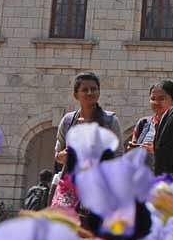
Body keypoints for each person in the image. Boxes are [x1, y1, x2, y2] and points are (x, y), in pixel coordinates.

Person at [50, 72, 122, 211]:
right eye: (85, 90)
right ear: (76, 95)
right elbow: (57, 155)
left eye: (94, 89)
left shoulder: (110, 121)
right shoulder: (68, 121)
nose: (90, 93)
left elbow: (118, 156)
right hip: (70, 186)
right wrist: (62, 156)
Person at [127, 80, 173, 155]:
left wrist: (157, 152)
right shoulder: (143, 123)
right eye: (153, 99)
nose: (156, 103)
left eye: (161, 99)